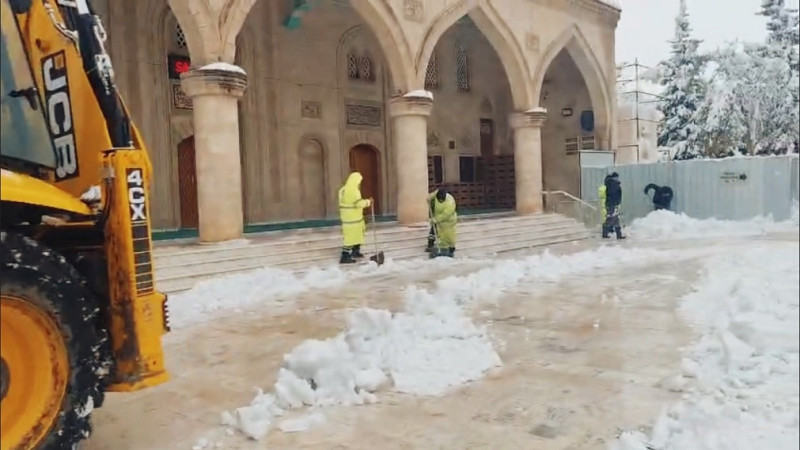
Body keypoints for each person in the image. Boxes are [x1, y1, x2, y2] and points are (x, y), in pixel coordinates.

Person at [338, 172, 372, 264]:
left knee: (353, 236)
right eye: (359, 181)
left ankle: (355, 251)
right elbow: (358, 204)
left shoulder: (342, 190)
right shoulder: (354, 191)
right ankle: (345, 256)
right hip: (355, 219)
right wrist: (368, 202)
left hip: (347, 219)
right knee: (352, 237)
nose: (359, 183)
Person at [426, 187, 458, 257]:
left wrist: (435, 219)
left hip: (449, 221)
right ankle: (438, 247)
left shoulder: (450, 202)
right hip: (438, 220)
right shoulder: (437, 193)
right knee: (438, 233)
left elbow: (446, 215)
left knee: (448, 235)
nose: (440, 201)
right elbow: (431, 195)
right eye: (439, 200)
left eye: (441, 200)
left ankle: (451, 248)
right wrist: (429, 198)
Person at [599, 172, 625, 239]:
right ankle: (616, 234)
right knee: (613, 218)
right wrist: (616, 202)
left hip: (611, 204)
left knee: (612, 218)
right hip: (612, 204)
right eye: (617, 177)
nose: (618, 178)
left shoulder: (611, 183)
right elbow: (613, 195)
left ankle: (610, 234)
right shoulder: (613, 184)